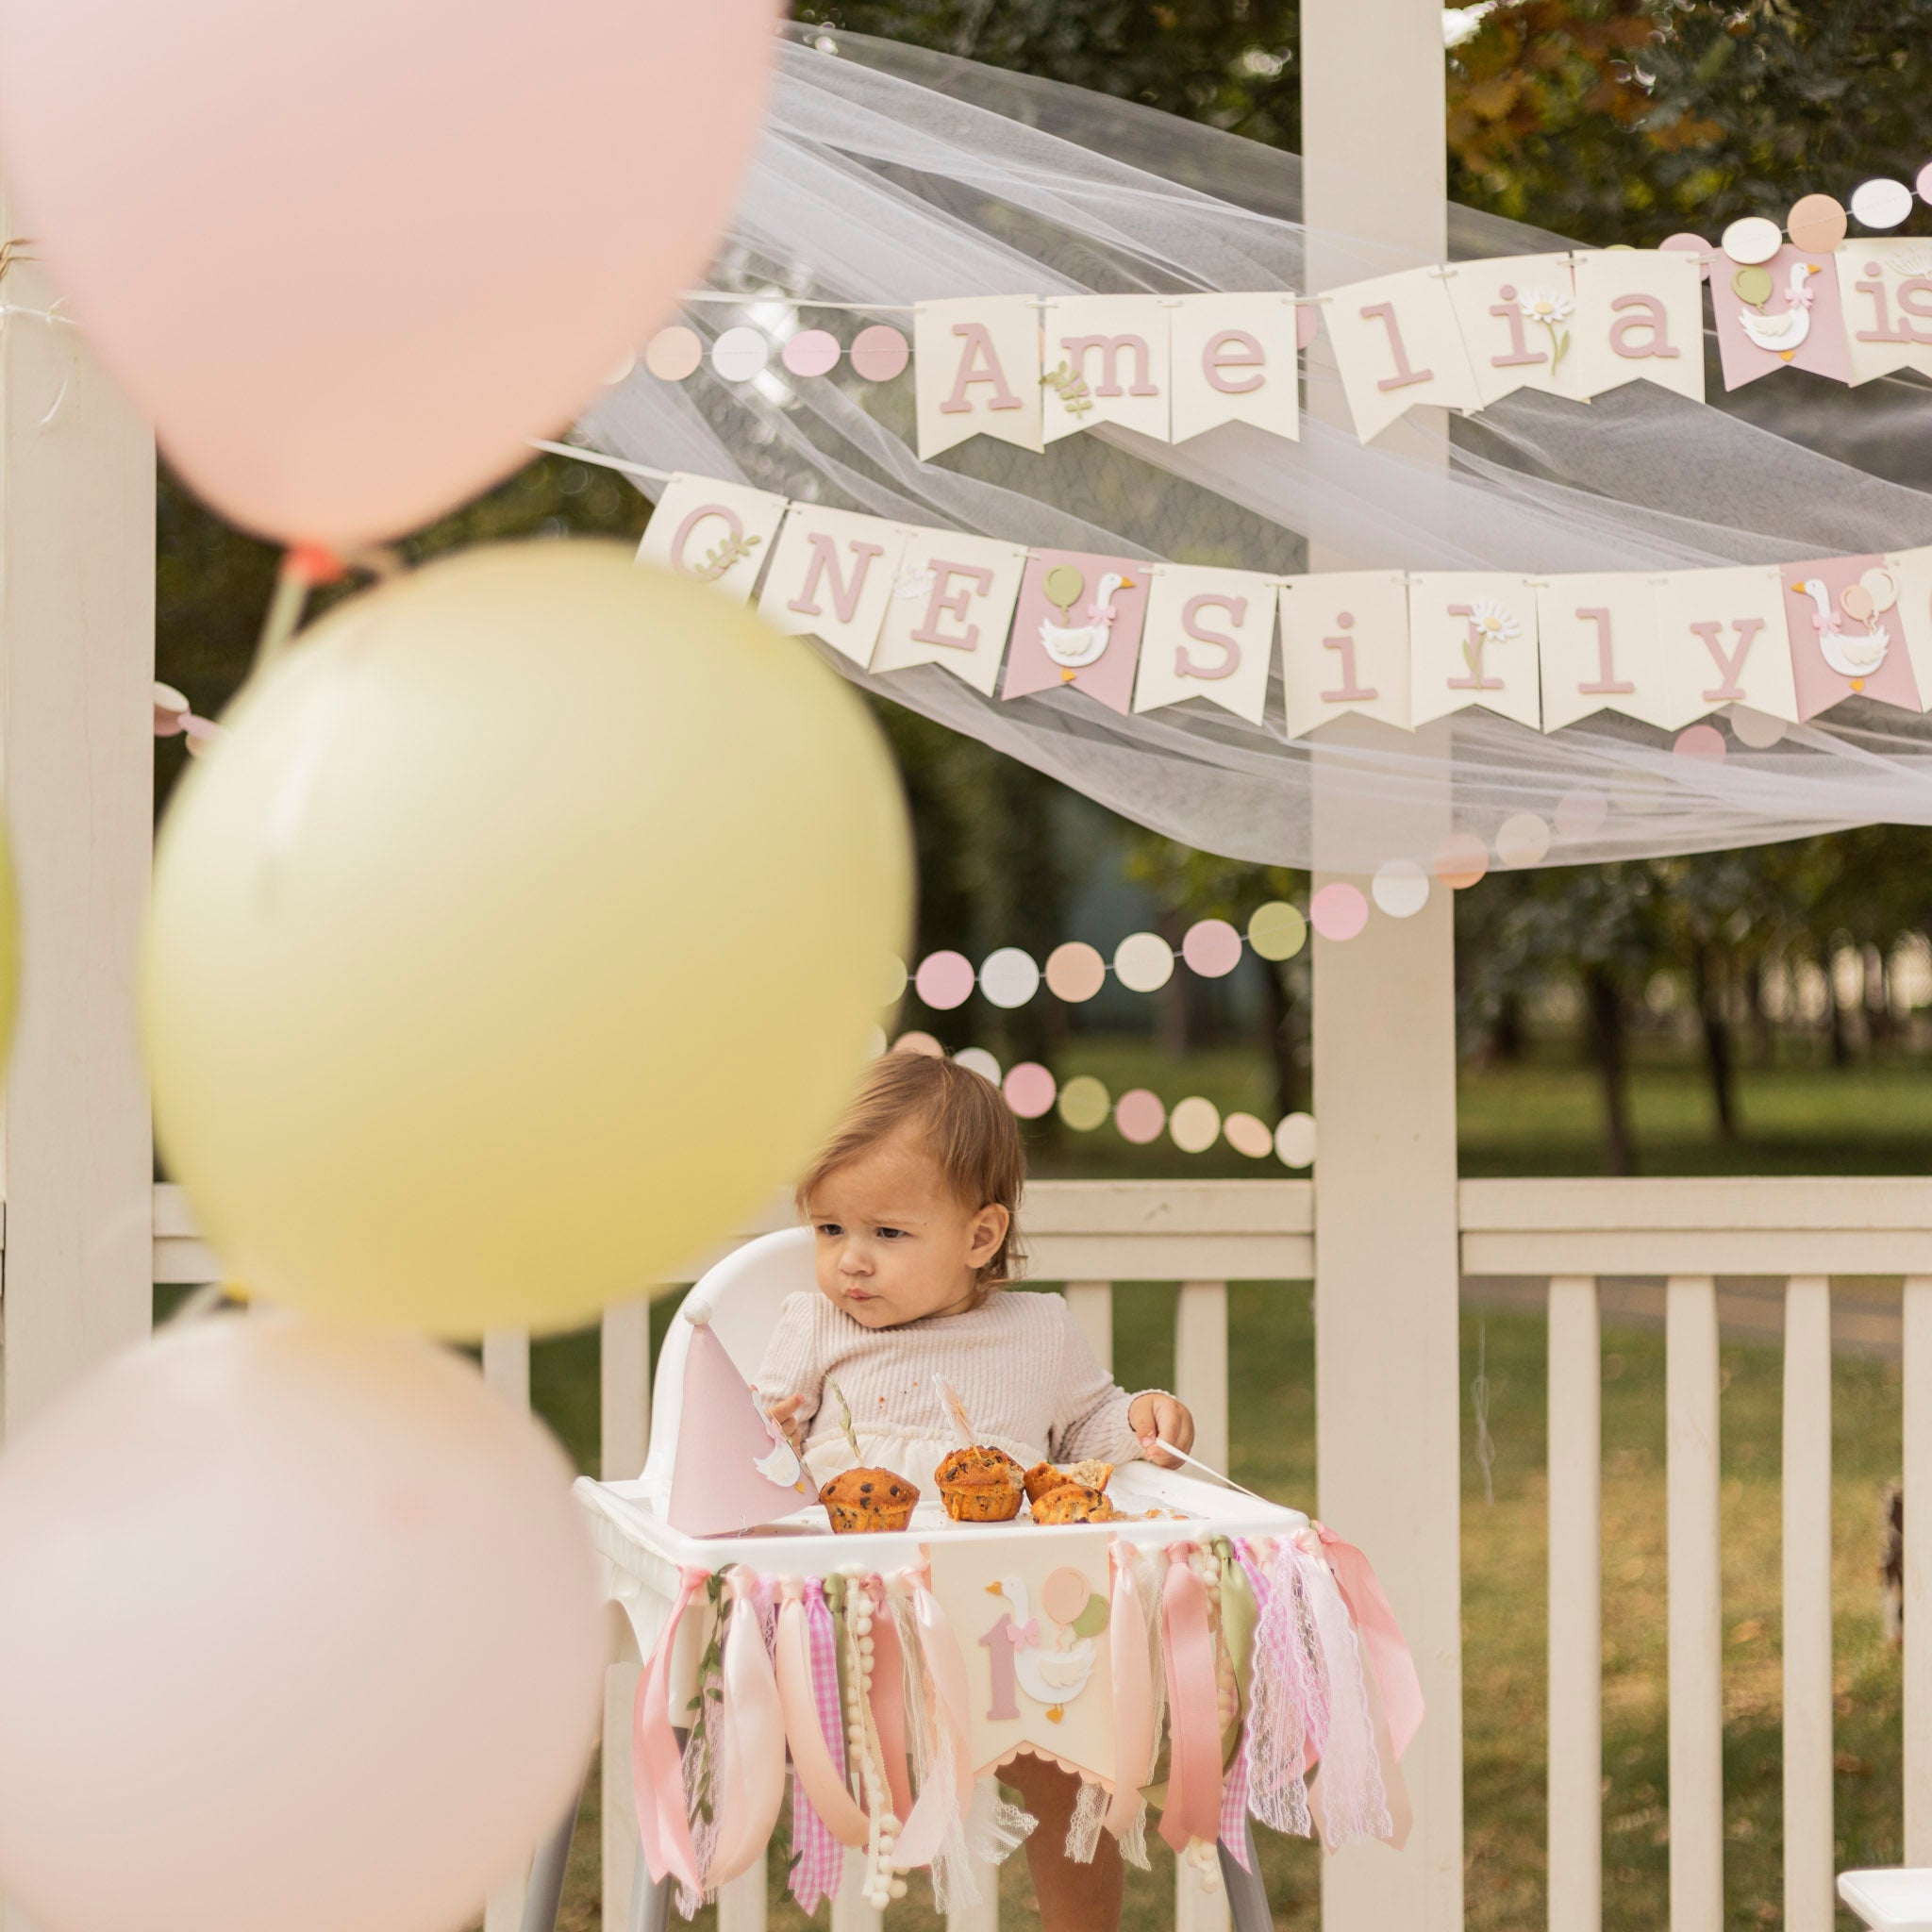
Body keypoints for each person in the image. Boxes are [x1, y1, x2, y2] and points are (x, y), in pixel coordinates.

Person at [756, 1048, 1194, 1932]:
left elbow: (1093, 1434)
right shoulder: (813, 1328)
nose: (851, 1263)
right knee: (822, 1772)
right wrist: (771, 1429)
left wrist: (1146, 1415)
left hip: (1010, 1616)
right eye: (829, 1230)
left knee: (1071, 1767)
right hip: (858, 1623)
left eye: (887, 1233)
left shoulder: (1037, 1333)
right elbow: (757, 1459)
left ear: (981, 1237)